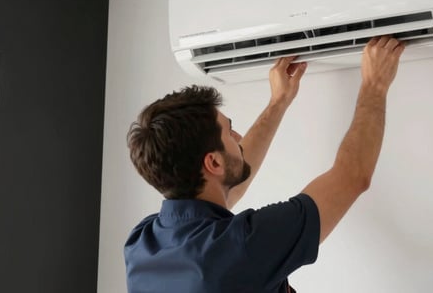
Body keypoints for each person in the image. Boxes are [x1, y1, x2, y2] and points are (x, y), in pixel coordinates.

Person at [125, 36, 405, 292]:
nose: (238, 137)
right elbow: (351, 177)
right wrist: (375, 84)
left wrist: (278, 103)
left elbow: (224, 188)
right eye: (229, 131)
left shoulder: (142, 245)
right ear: (212, 162)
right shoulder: (244, 246)